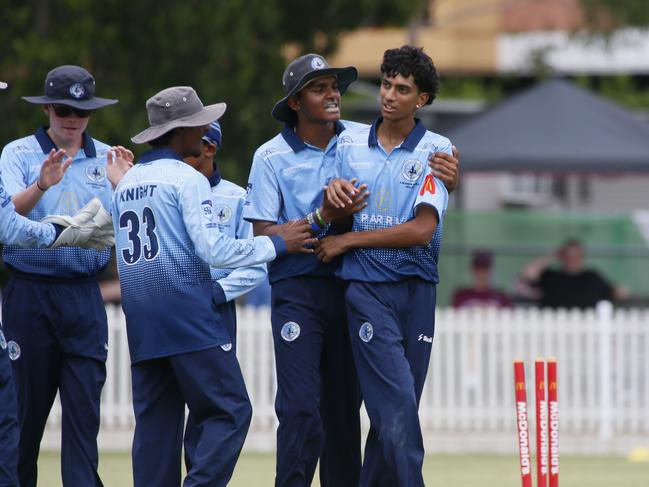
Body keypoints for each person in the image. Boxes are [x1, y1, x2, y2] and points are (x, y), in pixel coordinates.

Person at [244, 52, 460, 487]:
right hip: (303, 288)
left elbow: (406, 183)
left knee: (348, 412)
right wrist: (325, 220)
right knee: (302, 408)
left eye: (335, 86)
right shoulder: (271, 156)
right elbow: (268, 234)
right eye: (319, 88)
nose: (333, 95)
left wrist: (451, 176)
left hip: (351, 283)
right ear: (295, 102)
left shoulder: (357, 139)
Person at [114, 86, 313, 487]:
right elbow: (215, 249)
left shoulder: (127, 181)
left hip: (140, 314)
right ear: (181, 131)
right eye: (199, 123)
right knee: (231, 410)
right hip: (186, 308)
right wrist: (278, 242)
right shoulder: (188, 179)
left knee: (156, 423)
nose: (205, 128)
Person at [314, 45, 451, 487]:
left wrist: (347, 240)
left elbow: (421, 230)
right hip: (366, 288)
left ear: (422, 99)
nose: (390, 95)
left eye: (403, 89)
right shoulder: (349, 140)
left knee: (397, 408)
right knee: (395, 404)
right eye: (387, 84)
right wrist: (332, 196)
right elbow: (328, 205)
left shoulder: (437, 150)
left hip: (418, 290)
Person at [0, 65, 128, 487]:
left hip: (82, 295)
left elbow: (123, 229)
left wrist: (124, 188)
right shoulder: (18, 154)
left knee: (83, 419)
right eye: (63, 109)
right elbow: (6, 218)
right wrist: (39, 184)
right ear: (48, 108)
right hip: (29, 293)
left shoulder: (109, 157)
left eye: (82, 110)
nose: (72, 119)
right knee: (23, 418)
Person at [181, 120, 268, 470]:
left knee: (213, 407)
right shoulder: (169, 187)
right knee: (170, 404)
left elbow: (255, 263)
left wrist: (217, 292)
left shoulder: (235, 198)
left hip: (215, 310)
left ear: (210, 148)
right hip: (172, 304)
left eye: (191, 145)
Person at [518, 238, 626, 309]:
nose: (572, 259)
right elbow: (527, 274)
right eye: (568, 256)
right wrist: (551, 256)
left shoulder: (592, 277)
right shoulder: (550, 276)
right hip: (554, 324)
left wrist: (619, 290)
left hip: (586, 326)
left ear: (582, 257)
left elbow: (617, 292)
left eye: (576, 256)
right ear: (562, 256)